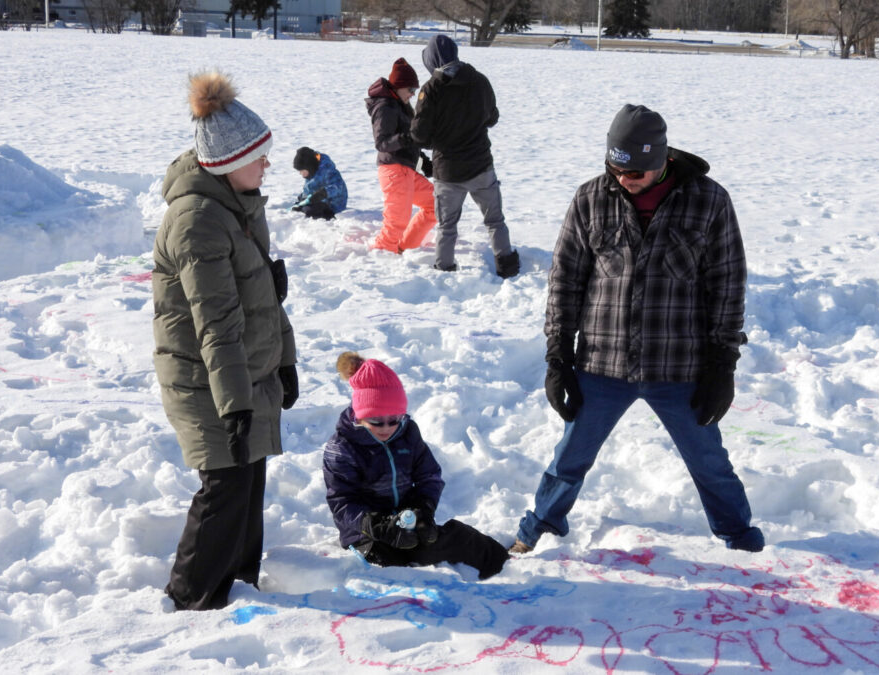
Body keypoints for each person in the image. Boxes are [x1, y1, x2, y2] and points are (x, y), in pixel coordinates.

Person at [511, 104, 763, 555]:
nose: (625, 179)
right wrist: (557, 355)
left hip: (679, 365)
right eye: (616, 167)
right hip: (601, 363)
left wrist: (723, 364)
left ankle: (740, 536)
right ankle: (540, 530)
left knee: (709, 462)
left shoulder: (709, 200)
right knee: (569, 458)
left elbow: (727, 284)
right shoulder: (590, 198)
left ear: (663, 159)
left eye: (638, 171)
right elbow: (566, 279)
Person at [153, 70, 298, 610]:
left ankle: (240, 587)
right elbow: (216, 322)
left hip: (241, 374)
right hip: (206, 379)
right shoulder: (197, 221)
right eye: (259, 156)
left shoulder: (239, 206)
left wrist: (285, 361)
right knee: (225, 487)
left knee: (249, 480)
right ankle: (189, 600)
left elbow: (263, 296)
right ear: (228, 161)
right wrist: (236, 405)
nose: (267, 165)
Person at [323, 352, 508, 580]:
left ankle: (503, 563)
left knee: (449, 540)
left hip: (407, 518)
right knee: (392, 569)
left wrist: (423, 507)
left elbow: (429, 476)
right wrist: (374, 524)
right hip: (366, 533)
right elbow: (341, 502)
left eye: (394, 419)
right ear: (360, 416)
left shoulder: (407, 433)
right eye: (376, 421)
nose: (386, 428)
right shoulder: (343, 447)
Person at [411, 34, 519, 278]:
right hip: (481, 166)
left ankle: (445, 269)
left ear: (432, 60)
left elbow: (419, 134)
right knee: (494, 220)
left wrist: (435, 139)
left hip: (447, 172)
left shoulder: (431, 90)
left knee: (447, 226)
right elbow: (492, 117)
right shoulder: (479, 81)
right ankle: (507, 266)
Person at [365, 58, 437, 254]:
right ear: (398, 86)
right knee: (396, 222)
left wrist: (423, 160)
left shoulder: (400, 105)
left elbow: (408, 139)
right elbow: (382, 142)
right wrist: (408, 137)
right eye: (410, 90)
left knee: (435, 204)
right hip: (394, 171)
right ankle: (381, 257)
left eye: (415, 90)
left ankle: (406, 248)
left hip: (406, 171)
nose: (413, 94)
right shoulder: (385, 107)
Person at [291, 146, 348, 220]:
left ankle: (327, 215)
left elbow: (338, 186)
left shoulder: (327, 170)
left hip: (334, 203)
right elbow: (310, 187)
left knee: (310, 211)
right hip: (319, 200)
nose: (300, 173)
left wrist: (323, 193)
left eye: (302, 171)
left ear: (309, 167)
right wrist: (303, 199)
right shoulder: (312, 171)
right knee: (302, 203)